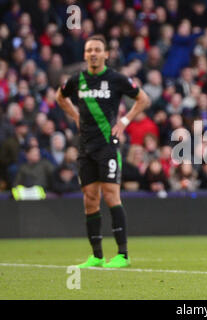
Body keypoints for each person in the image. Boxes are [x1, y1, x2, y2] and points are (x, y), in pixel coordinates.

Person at [55, 34, 150, 269]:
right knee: (90, 200)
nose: (93, 54)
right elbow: (60, 96)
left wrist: (125, 121)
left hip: (108, 145)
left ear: (106, 54)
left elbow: (143, 99)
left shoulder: (116, 79)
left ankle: (122, 254)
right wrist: (75, 115)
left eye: (97, 49)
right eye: (89, 50)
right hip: (86, 147)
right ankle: (96, 256)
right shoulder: (77, 80)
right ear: (85, 54)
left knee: (110, 195)